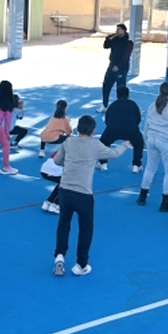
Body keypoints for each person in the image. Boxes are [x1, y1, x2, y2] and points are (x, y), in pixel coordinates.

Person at [53, 115, 129, 277]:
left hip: (65, 190)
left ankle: (59, 255)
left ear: (77, 128)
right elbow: (113, 153)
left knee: (63, 223)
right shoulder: (95, 145)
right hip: (83, 193)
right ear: (93, 131)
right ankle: (81, 264)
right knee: (85, 228)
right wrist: (124, 146)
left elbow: (57, 161)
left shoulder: (68, 142)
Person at [137, 82, 168, 213]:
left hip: (151, 138)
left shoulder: (152, 106)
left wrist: (146, 138)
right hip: (165, 141)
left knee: (150, 167)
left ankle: (142, 195)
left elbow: (147, 124)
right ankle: (166, 200)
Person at [98, 86, 144, 173]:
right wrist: (133, 128)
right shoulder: (133, 104)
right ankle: (136, 165)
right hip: (131, 129)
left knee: (104, 142)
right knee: (139, 142)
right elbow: (138, 118)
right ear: (128, 95)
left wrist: (111, 128)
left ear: (117, 95)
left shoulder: (113, 105)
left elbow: (107, 119)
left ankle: (103, 163)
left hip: (113, 129)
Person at [97, 24, 133, 113]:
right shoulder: (115, 40)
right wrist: (108, 38)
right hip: (112, 66)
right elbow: (106, 46)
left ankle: (122, 107)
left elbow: (126, 57)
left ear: (124, 31)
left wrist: (118, 66)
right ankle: (105, 105)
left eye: (119, 30)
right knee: (106, 85)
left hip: (122, 68)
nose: (117, 31)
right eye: (116, 29)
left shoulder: (128, 43)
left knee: (121, 88)